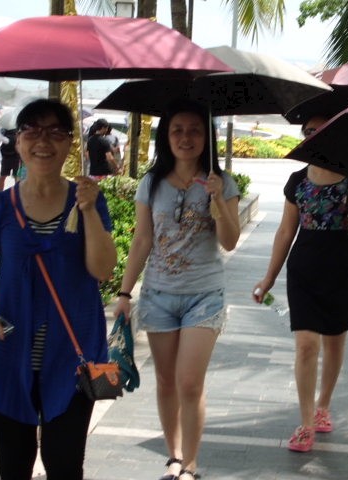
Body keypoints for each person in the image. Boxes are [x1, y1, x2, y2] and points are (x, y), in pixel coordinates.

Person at [0, 99, 117, 480]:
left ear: (70, 143)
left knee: (66, 465)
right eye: (32, 131)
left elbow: (103, 270)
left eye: (56, 132)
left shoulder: (90, 201)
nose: (43, 141)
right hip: (10, 354)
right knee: (14, 465)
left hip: (77, 354)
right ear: (18, 140)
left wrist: (89, 210)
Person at [114, 98, 240, 480]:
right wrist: (124, 294)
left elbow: (230, 241)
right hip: (158, 295)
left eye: (195, 130)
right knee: (166, 381)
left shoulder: (223, 183)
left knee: (189, 382)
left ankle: (191, 464)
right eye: (177, 130)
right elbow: (142, 240)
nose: (186, 138)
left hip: (204, 295)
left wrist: (218, 199)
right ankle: (174, 456)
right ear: (165, 137)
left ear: (207, 137)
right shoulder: (151, 183)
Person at [252, 115, 348, 452]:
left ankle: (323, 405)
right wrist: (268, 278)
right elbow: (285, 231)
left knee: (335, 343)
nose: (316, 136)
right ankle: (306, 422)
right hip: (304, 271)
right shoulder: (297, 180)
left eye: (324, 130)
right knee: (307, 345)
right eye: (310, 131)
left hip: (344, 271)